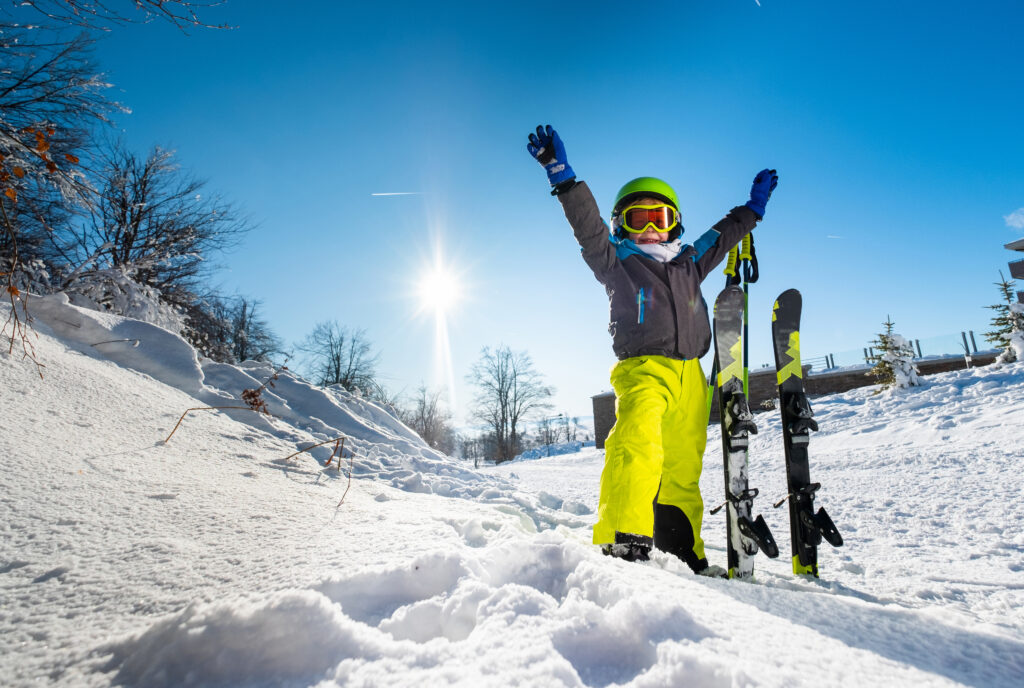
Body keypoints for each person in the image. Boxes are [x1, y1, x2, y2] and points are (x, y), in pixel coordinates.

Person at [526, 124, 778, 576]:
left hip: (691, 380)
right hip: (644, 371)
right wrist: (562, 177)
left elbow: (721, 236)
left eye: (657, 219)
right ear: (621, 226)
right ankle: (624, 538)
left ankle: (682, 550)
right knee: (637, 444)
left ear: (674, 223)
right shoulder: (616, 262)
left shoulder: (688, 261)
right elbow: (589, 231)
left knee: (683, 467)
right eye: (636, 220)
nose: (648, 230)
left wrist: (753, 209)